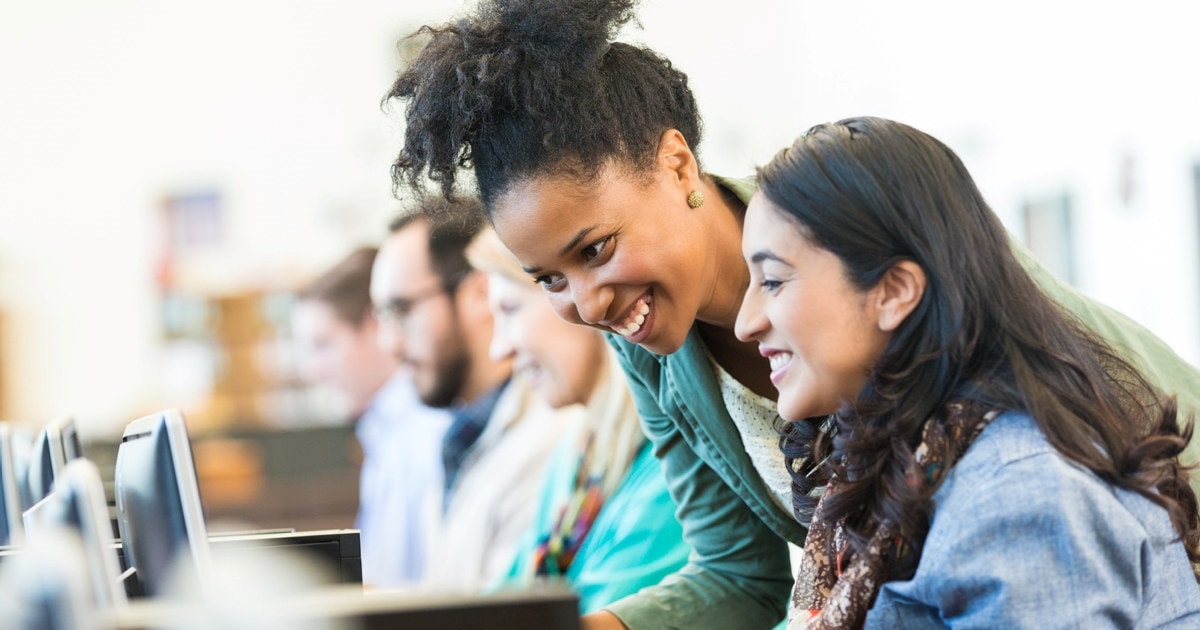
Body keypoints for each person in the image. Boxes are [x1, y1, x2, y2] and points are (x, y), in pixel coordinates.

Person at [384, 0, 1200, 626]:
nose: (588, 307)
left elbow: (1058, 449)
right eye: (548, 281)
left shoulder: (870, 236)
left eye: (595, 251)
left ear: (676, 164)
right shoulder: (655, 349)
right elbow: (743, 575)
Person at [736, 116, 1200, 628]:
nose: (745, 322)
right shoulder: (920, 463)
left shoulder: (1014, 494)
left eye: (773, 281)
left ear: (894, 292)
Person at [466, 227, 690, 613]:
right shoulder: (577, 457)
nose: (498, 347)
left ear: (576, 297)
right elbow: (501, 606)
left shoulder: (672, 463)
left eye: (510, 310)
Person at [369, 196, 577, 591]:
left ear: (479, 293)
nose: (389, 342)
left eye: (402, 310)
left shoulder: (551, 436)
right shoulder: (460, 436)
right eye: (382, 317)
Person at [291, 246, 451, 588]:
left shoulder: (425, 431)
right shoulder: (385, 430)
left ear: (374, 325)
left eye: (322, 345)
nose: (311, 370)